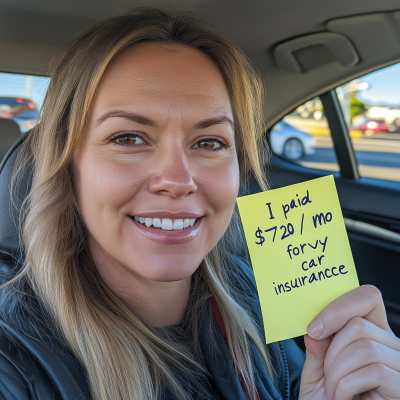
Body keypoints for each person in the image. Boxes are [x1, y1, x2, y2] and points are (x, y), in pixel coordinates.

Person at [0, 8, 399, 400]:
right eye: (129, 138)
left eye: (209, 143)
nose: (178, 180)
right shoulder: (12, 363)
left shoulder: (252, 293)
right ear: (68, 164)